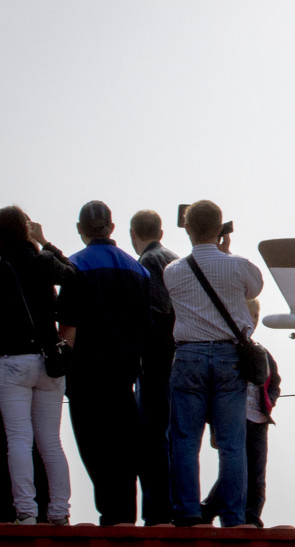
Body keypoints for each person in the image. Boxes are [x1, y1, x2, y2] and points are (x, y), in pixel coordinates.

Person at [163, 200, 263, 527]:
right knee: (232, 443)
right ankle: (233, 516)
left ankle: (188, 512)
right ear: (221, 228)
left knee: (184, 439)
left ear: (188, 228)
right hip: (228, 356)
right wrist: (227, 252)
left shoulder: (173, 271)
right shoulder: (239, 266)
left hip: (189, 355)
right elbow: (254, 288)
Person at [56, 200, 155, 525]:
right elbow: (147, 324)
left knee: (95, 451)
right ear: (112, 228)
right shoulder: (137, 269)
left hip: (85, 379)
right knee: (124, 451)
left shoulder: (74, 266)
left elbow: (68, 326)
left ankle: (110, 518)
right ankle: (125, 518)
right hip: (125, 377)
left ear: (80, 230)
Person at [0, 206, 74, 526]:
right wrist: (44, 242)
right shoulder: (41, 261)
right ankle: (59, 512)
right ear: (26, 229)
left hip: (13, 361)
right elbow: (72, 275)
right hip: (49, 362)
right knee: (51, 442)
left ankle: (27, 512)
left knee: (18, 439)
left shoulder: (1, 265)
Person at [201, 299, 280, 528]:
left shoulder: (263, 353)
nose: (253, 321)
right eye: (249, 316)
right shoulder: (223, 350)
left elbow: (274, 382)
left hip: (259, 419)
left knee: (257, 472)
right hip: (234, 417)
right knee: (235, 469)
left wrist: (269, 402)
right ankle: (209, 509)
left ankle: (252, 516)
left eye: (256, 317)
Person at [129, 209, 178, 525]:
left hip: (155, 364)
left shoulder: (148, 263)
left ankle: (157, 511)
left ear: (133, 233)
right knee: (171, 439)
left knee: (151, 440)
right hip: (175, 361)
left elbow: (156, 311)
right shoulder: (173, 258)